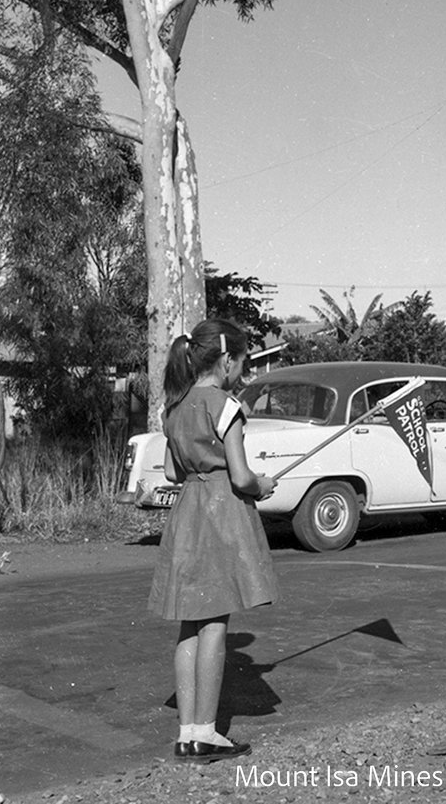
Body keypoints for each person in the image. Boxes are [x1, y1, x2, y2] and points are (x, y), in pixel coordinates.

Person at [147, 318, 278, 763]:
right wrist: (262, 484)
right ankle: (207, 733)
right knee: (216, 624)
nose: (242, 372)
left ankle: (187, 733)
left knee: (190, 622)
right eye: (241, 363)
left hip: (188, 515)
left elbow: (172, 472)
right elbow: (241, 477)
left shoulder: (174, 408)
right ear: (226, 361)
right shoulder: (226, 406)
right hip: (221, 516)